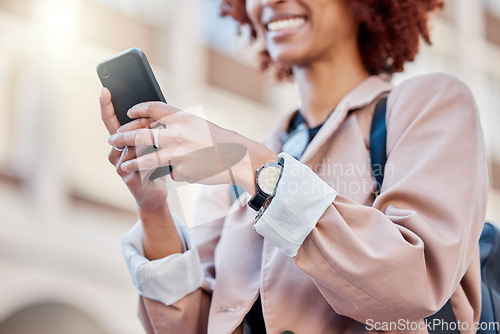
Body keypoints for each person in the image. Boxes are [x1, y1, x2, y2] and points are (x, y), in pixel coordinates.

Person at [99, 0, 489, 333]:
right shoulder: (239, 162)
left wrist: (247, 163)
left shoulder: (431, 103)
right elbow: (197, 325)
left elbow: (417, 281)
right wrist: (154, 211)